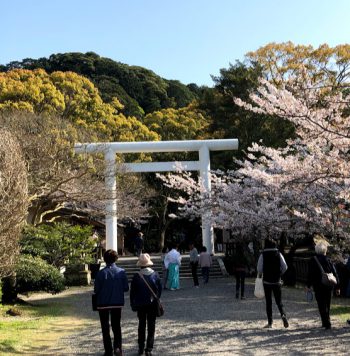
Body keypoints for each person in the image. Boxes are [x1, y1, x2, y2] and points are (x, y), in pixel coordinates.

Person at [94, 249, 129, 356]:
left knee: (105, 328)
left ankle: (108, 350)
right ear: (116, 259)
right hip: (117, 302)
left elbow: (96, 290)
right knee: (116, 326)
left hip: (102, 303)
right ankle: (118, 348)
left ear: (104, 259)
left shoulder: (100, 273)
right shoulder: (121, 272)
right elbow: (126, 288)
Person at [130, 254, 162, 356]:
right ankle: (149, 348)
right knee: (151, 326)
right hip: (152, 304)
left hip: (140, 304)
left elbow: (132, 292)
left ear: (140, 265)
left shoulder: (137, 276)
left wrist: (133, 303)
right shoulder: (155, 275)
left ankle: (140, 347)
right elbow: (159, 290)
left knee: (141, 325)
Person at [306, 241, 340, 330]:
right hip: (328, 285)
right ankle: (327, 321)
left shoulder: (312, 260)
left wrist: (308, 285)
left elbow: (310, 274)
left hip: (318, 285)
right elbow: (335, 273)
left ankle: (325, 322)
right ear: (325, 250)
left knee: (321, 304)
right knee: (327, 304)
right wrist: (337, 286)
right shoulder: (328, 260)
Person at [257, 239, 289, 329]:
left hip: (267, 281)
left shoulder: (263, 254)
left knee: (269, 302)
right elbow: (285, 267)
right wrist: (279, 273)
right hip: (277, 281)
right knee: (279, 301)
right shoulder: (278, 253)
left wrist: (264, 272)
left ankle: (270, 322)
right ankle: (283, 315)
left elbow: (259, 268)